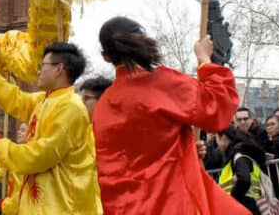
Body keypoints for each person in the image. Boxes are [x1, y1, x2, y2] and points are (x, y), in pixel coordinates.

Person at [91, 16, 246, 215]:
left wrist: (186, 149)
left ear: (105, 56)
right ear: (143, 41)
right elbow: (217, 108)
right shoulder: (162, 84)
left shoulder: (104, 105)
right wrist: (205, 61)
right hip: (170, 201)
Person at [0, 42, 100, 214]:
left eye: (43, 65)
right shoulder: (45, 101)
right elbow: (15, 99)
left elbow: (41, 156)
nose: (38, 71)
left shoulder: (70, 107)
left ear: (59, 69)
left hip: (63, 208)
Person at [217, 126, 267, 215]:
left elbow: (244, 180)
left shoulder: (238, 156)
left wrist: (232, 198)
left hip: (243, 205)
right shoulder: (238, 155)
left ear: (223, 138)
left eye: (217, 139)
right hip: (247, 204)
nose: (217, 144)